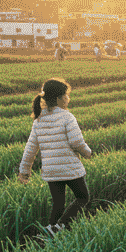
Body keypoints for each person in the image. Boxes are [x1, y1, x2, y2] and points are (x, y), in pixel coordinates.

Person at [17, 78, 93, 235]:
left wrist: (24, 171)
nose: (68, 98)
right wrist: (87, 152)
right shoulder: (67, 117)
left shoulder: (39, 120)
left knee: (58, 204)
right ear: (59, 99)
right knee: (83, 197)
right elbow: (76, 141)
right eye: (66, 95)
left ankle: (51, 229)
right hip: (69, 167)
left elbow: (30, 149)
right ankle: (61, 226)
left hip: (51, 171)